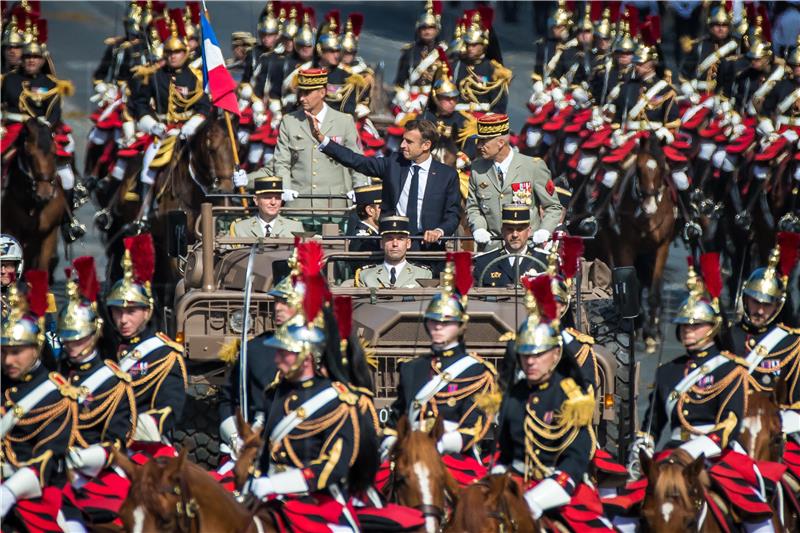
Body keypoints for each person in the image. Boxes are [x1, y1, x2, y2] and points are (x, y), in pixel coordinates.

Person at [627, 254, 774, 532]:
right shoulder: (667, 371)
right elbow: (655, 422)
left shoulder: (730, 369)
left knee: (753, 505)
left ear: (713, 327)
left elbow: (730, 424)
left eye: (696, 325)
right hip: (671, 452)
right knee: (627, 505)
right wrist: (644, 443)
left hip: (715, 452)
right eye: (685, 325)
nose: (688, 331)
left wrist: (693, 449)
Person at [246, 241, 375, 532]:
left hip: (320, 502)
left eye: (285, 352)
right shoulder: (275, 393)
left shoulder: (340, 402)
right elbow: (267, 451)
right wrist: (256, 478)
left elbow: (334, 466)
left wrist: (280, 482)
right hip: (274, 499)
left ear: (306, 355)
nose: (277, 358)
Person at [493, 274, 611, 529]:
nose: (551, 307)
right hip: (519, 465)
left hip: (558, 453)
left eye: (557, 301)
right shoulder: (517, 347)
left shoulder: (578, 348)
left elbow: (585, 395)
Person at [380, 253, 497, 484]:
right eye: (433, 321)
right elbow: (396, 420)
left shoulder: (477, 372)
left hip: (454, 457)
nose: (438, 327)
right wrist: (390, 445)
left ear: (461, 326)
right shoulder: (413, 368)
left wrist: (439, 443)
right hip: (409, 455)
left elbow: (475, 426)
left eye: (446, 322)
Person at [56, 257, 136, 531]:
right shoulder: (57, 378)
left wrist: (78, 459)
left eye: (79, 339)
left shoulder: (112, 382)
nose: (72, 346)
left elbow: (117, 436)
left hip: (94, 472)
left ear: (93, 336)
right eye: (68, 339)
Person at [1, 273, 76, 531]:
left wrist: (8, 492)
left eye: (17, 352)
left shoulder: (55, 394)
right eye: (4, 352)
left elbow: (48, 458)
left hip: (31, 491)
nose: (9, 360)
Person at [314, 118, 462, 248]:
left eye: (409, 142)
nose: (402, 145)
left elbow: (453, 214)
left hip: (429, 247)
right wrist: (323, 140)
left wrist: (439, 231)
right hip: (394, 244)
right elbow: (358, 161)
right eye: (403, 140)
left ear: (426, 145)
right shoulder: (394, 163)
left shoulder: (446, 175)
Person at [104, 233, 187, 444]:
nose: (123, 320)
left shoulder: (163, 354)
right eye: (117, 311)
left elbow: (170, 405)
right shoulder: (103, 349)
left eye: (131, 311)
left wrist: (141, 428)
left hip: (144, 445)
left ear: (147, 311)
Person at [129, 24, 212, 221]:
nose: (173, 56)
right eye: (169, 52)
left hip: (189, 134)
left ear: (186, 53)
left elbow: (204, 106)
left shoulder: (195, 78)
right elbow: (140, 104)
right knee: (148, 168)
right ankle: (146, 213)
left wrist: (192, 125)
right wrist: (152, 124)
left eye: (177, 52)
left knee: (208, 162)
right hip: (164, 133)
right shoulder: (155, 77)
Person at [218, 274, 297, 463]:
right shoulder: (254, 348)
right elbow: (227, 400)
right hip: (252, 446)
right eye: (277, 301)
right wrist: (235, 437)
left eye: (285, 301)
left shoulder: (323, 350)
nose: (277, 307)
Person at [267, 67, 366, 209]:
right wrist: (285, 187)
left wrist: (359, 189)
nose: (301, 98)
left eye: (307, 93)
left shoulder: (343, 121)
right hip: (299, 203)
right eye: (300, 92)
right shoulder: (290, 121)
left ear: (322, 92)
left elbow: (356, 161)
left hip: (333, 204)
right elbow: (282, 161)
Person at [467, 114, 563, 251]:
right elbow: (473, 207)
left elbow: (553, 206)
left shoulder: (532, 166)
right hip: (492, 248)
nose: (479, 146)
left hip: (528, 248)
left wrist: (544, 231)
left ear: (500, 143)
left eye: (484, 141)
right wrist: (479, 228)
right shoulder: (477, 169)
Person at [451, 9, 511, 114]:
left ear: (483, 45)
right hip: (458, 117)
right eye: (468, 44)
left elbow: (499, 102)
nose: (470, 48)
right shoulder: (457, 65)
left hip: (483, 118)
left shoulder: (493, 69)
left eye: (474, 45)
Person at [473, 204, 546, 287]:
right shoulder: (485, 262)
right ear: (502, 231)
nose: (515, 235)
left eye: (520, 229)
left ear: (529, 231)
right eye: (510, 229)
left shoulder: (544, 261)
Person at [355, 216, 432, 288]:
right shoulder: (365, 275)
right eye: (389, 238)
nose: (395, 244)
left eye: (400, 239)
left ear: (408, 243)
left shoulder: (423, 274)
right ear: (381, 243)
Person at [680, 1, 739, 96]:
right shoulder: (699, 45)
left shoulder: (736, 47)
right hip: (701, 96)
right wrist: (689, 90)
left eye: (724, 25)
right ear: (710, 27)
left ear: (729, 27)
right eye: (717, 25)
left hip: (726, 97)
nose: (720, 29)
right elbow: (684, 75)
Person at [394, 0, 444, 94]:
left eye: (430, 28)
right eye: (424, 28)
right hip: (411, 98)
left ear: (436, 30)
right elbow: (400, 81)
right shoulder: (409, 52)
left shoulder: (443, 52)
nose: (427, 31)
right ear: (418, 30)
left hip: (434, 99)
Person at [229, 176, 304, 238]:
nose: (273, 202)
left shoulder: (295, 227)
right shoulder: (240, 227)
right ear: (256, 200)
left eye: (277, 198)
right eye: (267, 197)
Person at [242, 2, 280, 86]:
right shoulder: (253, 54)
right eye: (263, 34)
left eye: (270, 35)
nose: (266, 38)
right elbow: (245, 81)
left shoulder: (281, 54)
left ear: (276, 35)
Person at [346, 183, 382, 254]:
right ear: (370, 210)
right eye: (381, 207)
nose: (387, 210)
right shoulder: (364, 240)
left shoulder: (374, 235)